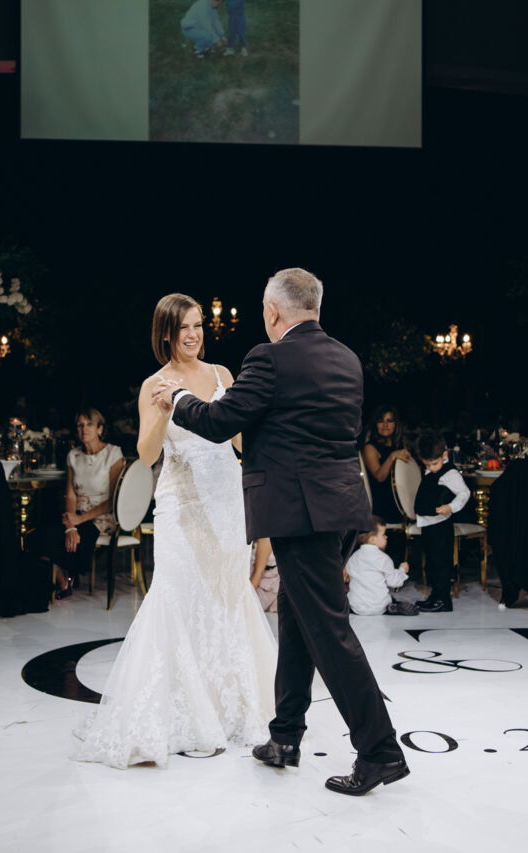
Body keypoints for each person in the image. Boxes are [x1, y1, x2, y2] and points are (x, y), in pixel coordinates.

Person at [159, 267, 408, 796]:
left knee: (330, 634)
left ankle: (380, 752)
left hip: (302, 516)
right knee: (296, 623)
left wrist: (178, 398)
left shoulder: (269, 358)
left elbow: (219, 422)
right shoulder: (346, 358)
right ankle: (285, 737)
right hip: (342, 511)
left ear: (273, 312)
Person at [72, 294, 276, 768]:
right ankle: (182, 713)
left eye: (198, 325)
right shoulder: (154, 384)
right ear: (166, 333)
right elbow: (146, 454)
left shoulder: (223, 375)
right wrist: (165, 408)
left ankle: (231, 707)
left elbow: (240, 440)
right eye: (184, 327)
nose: (193, 334)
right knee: (178, 597)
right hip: (181, 508)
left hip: (226, 504)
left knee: (226, 597)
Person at [28, 408, 124, 599]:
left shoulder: (113, 454)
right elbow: (71, 495)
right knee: (37, 535)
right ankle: (63, 579)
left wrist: (80, 520)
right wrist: (71, 527)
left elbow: (113, 501)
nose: (83, 429)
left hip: (101, 517)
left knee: (77, 537)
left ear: (99, 429)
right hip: (75, 515)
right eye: (80, 425)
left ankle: (70, 574)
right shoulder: (73, 455)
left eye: (89, 424)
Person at [413, 432, 471, 613]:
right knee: (432, 561)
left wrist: (451, 507)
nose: (431, 468)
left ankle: (443, 599)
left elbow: (464, 493)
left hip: (440, 524)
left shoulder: (450, 473)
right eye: (427, 464)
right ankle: (435, 596)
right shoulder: (432, 470)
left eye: (434, 463)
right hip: (428, 523)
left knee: (441, 562)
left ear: (444, 455)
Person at [359, 404, 411, 563]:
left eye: (390, 421)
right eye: (381, 421)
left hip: (400, 500)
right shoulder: (370, 448)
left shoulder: (400, 445)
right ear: (375, 424)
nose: (385, 425)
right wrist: (393, 456)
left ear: (396, 424)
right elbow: (379, 476)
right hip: (381, 504)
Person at [345, 518, 414, 616]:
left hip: (356, 606)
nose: (386, 537)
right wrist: (402, 570)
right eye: (383, 535)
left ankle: (349, 606)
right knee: (388, 596)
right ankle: (391, 605)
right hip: (379, 606)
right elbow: (394, 582)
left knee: (352, 594)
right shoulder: (383, 558)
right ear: (372, 539)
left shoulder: (352, 558)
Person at [251, 537, 279, 612]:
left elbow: (258, 573)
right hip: (253, 578)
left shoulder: (265, 538)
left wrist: (243, 600)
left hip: (264, 587)